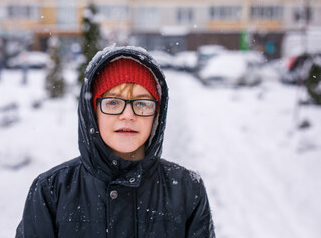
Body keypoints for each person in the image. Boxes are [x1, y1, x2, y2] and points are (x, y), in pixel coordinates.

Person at [16, 46, 215, 238]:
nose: (128, 115)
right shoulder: (52, 190)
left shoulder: (187, 189)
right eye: (113, 102)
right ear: (93, 113)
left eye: (142, 103)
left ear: (156, 115)